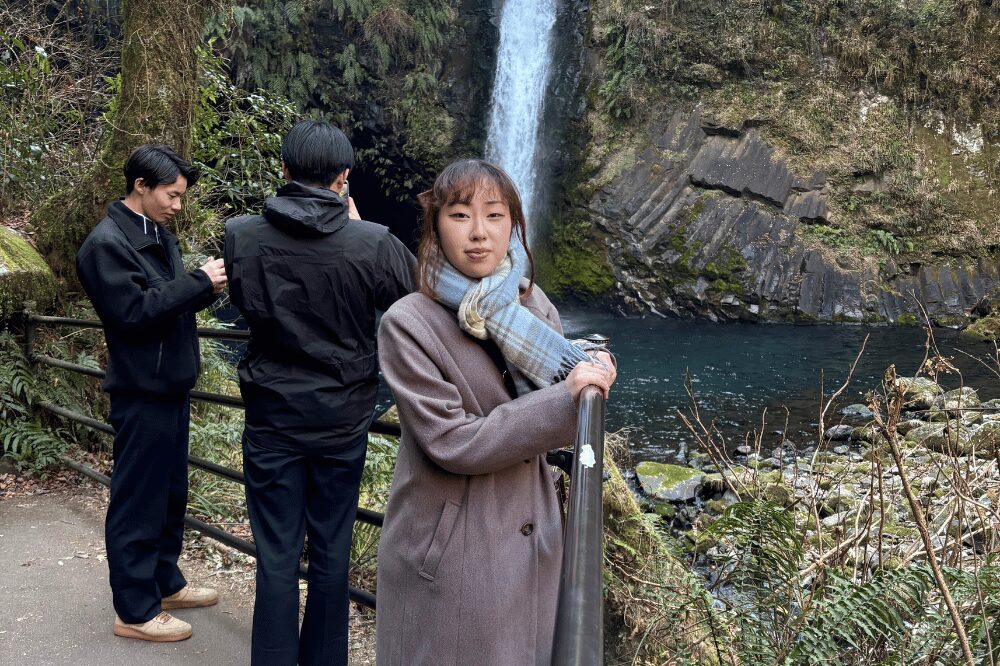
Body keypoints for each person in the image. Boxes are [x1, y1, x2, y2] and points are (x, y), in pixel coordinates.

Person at [374, 159, 616, 665]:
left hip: (534, 535)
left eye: (494, 215)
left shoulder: (532, 303)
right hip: (454, 549)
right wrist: (567, 397)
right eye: (460, 215)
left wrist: (586, 366)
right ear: (436, 225)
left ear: (514, 224)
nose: (479, 233)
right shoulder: (408, 323)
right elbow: (451, 441)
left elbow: (559, 374)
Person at [224, 119, 415, 666]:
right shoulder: (372, 242)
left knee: (276, 558)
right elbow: (417, 299)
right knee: (332, 555)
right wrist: (359, 228)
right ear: (344, 177)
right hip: (342, 421)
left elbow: (243, 298)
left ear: (283, 169)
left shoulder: (241, 235)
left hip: (271, 417)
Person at [75, 143, 228, 642]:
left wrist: (201, 287)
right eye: (172, 195)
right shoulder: (105, 245)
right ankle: (135, 610)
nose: (178, 205)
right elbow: (132, 312)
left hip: (170, 384)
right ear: (140, 186)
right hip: (141, 389)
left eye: (181, 196)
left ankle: (164, 583)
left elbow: (165, 302)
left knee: (169, 495)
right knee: (138, 501)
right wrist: (198, 283)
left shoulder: (156, 233)